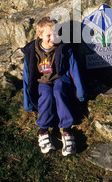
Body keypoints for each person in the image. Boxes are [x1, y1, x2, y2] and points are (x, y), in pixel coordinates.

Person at [21, 16, 86, 156]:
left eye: (56, 33)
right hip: (42, 81)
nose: (53, 38)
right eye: (49, 35)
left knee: (59, 91)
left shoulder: (63, 48)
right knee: (46, 95)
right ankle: (43, 130)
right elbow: (27, 76)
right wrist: (27, 102)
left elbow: (73, 68)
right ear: (40, 35)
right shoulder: (32, 51)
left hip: (59, 79)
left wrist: (80, 92)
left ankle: (67, 129)